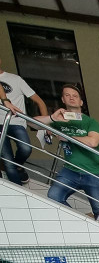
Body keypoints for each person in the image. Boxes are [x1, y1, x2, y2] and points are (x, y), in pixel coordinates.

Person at [39, 85, 99, 224]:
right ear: (62, 99)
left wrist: (68, 137)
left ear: (81, 102)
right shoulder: (58, 121)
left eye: (75, 96)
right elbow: (31, 123)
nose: (71, 97)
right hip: (70, 169)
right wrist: (52, 118)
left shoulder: (90, 122)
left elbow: (93, 141)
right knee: (54, 196)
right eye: (67, 95)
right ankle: (83, 224)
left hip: (93, 172)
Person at [0, 56, 48, 185]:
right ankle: (19, 188)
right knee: (8, 163)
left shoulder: (15, 79)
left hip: (17, 122)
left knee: (26, 149)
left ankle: (19, 166)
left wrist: (46, 127)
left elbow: (40, 102)